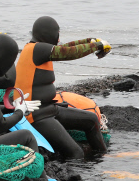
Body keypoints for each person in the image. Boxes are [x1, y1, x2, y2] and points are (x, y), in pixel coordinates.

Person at [15, 16, 111, 158]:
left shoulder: (40, 49)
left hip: (50, 110)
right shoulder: (37, 49)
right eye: (57, 35)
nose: (59, 39)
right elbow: (68, 53)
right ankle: (73, 177)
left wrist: (89, 41)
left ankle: (104, 157)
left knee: (91, 120)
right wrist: (97, 46)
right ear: (48, 34)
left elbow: (65, 47)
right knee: (76, 152)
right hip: (36, 116)